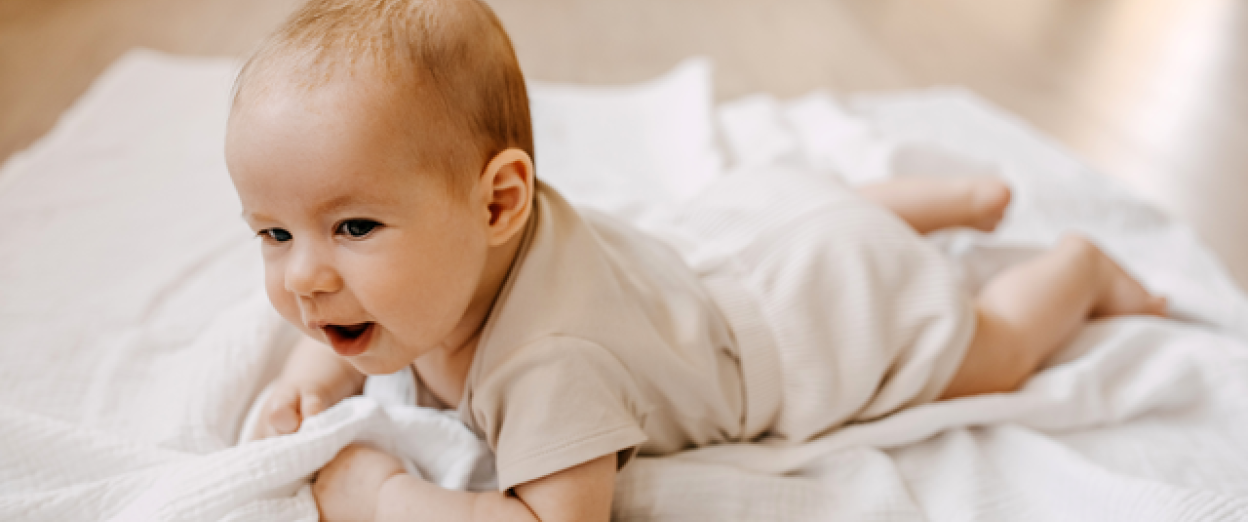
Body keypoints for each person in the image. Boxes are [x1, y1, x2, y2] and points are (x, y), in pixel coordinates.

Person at [225, 0, 1167, 520]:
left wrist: (385, 497)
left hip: (808, 320)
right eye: (274, 233)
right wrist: (319, 366)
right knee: (817, 219)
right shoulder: (455, 257)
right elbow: (338, 319)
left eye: (352, 229)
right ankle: (951, 203)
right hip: (747, 233)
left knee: (991, 347)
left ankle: (1077, 268)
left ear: (499, 202)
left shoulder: (548, 367)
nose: (304, 276)